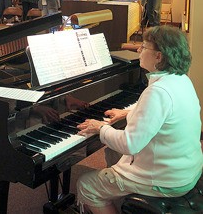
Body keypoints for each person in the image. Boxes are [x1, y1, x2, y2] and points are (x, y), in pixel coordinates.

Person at [76, 26, 203, 214]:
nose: (139, 50)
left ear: (159, 57)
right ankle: (120, 196)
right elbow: (164, 112)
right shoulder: (181, 79)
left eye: (144, 47)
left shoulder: (157, 92)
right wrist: (127, 113)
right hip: (186, 168)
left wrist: (100, 128)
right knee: (112, 151)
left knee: (85, 185)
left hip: (166, 180)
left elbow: (130, 144)